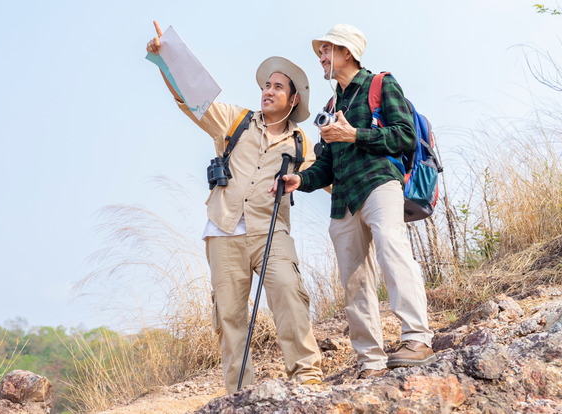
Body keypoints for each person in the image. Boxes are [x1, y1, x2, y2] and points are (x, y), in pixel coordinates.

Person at [145, 21, 323, 393]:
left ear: (293, 100)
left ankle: (307, 379)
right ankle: (240, 394)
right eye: (266, 85)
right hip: (223, 230)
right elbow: (191, 98)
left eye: (277, 87)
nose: (268, 92)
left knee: (289, 292)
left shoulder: (301, 142)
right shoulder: (234, 120)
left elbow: (325, 175)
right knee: (228, 316)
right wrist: (167, 60)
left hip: (271, 233)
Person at [273, 23, 435, 378]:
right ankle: (371, 361)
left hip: (379, 184)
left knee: (393, 251)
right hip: (343, 200)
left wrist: (354, 134)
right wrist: (301, 179)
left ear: (347, 52)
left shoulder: (381, 84)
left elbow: (405, 136)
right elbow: (327, 166)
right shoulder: (333, 104)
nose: (321, 57)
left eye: (327, 50)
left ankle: (417, 338)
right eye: (320, 52)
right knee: (354, 280)